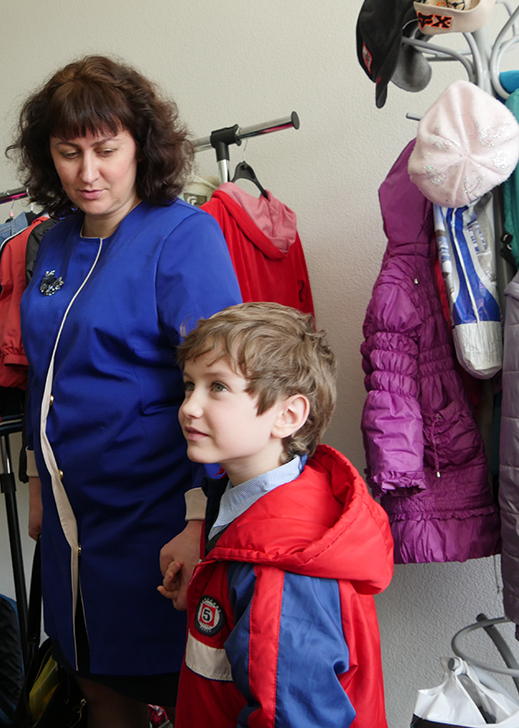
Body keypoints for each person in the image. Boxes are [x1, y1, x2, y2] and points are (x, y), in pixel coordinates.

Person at [12, 54, 243, 727]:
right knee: (94, 679)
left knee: (178, 684)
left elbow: (222, 390)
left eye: (107, 150)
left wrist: (200, 519)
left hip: (156, 512)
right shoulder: (48, 245)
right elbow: (39, 371)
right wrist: (34, 479)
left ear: (141, 146)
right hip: (67, 512)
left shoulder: (183, 236)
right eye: (68, 152)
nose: (89, 173)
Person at [163, 302, 394, 728]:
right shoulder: (250, 505)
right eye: (189, 386)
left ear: (288, 415)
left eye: (217, 387)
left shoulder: (280, 568)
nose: (189, 407)